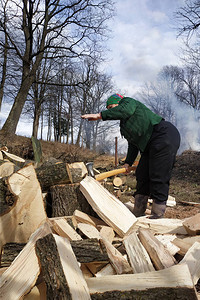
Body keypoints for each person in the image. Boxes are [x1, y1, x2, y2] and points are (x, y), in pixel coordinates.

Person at [81, 94, 180, 218]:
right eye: (109, 109)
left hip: (163, 135)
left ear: (119, 102)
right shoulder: (125, 125)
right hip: (148, 145)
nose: (111, 111)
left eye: (112, 107)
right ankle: (138, 212)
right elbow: (133, 145)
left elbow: (124, 110)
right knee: (142, 174)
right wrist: (128, 162)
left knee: (158, 174)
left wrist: (100, 115)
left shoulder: (128, 102)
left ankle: (157, 214)